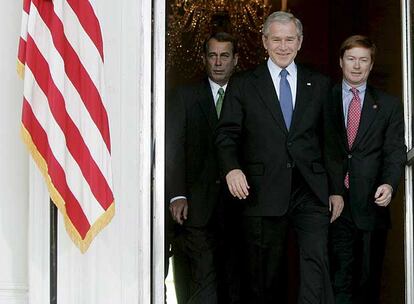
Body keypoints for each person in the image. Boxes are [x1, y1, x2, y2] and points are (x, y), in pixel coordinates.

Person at [215, 11, 340, 304]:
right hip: (262, 189)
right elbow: (226, 135)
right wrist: (232, 169)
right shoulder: (244, 83)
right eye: (276, 40)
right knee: (263, 274)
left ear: (299, 43)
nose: (283, 46)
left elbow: (331, 142)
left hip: (310, 188)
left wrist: (335, 189)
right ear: (264, 42)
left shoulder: (319, 83)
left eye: (289, 40)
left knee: (315, 263)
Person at [328, 35, 406, 304]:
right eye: (351, 59)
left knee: (368, 280)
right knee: (338, 278)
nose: (357, 66)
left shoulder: (388, 105)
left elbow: (394, 151)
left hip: (372, 203)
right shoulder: (322, 99)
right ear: (341, 62)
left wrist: (389, 183)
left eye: (363, 60)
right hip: (333, 202)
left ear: (371, 65)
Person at [165, 32, 239, 304]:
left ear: (235, 60)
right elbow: (173, 148)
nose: (218, 62)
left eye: (225, 56)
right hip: (196, 205)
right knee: (202, 282)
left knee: (233, 283)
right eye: (212, 55)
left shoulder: (247, 95)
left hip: (238, 208)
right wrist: (177, 194)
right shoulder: (184, 96)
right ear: (204, 59)